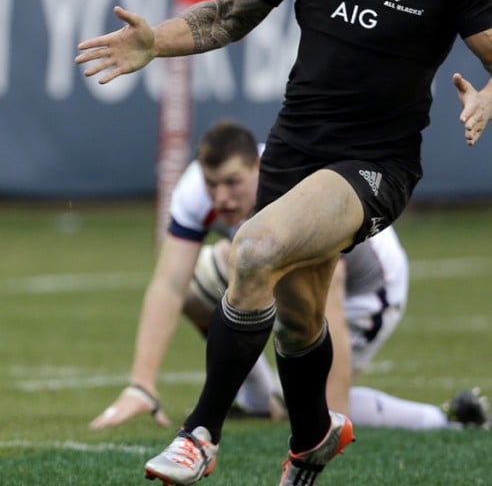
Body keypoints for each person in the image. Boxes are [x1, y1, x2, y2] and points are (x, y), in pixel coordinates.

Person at [75, 0, 492, 484]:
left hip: (374, 166)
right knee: (297, 322)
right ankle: (310, 439)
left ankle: (199, 433)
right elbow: (227, 15)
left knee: (254, 250)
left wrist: (486, 97)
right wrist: (158, 41)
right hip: (295, 151)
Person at [88, 120, 487, 433]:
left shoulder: (289, 185)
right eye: (213, 184)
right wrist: (141, 383)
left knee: (319, 404)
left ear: (258, 169)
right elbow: (169, 284)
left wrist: (330, 417)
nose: (221, 197)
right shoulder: (196, 189)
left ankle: (445, 418)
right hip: (287, 273)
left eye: (232, 182)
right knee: (203, 280)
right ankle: (263, 402)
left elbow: (328, 292)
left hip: (368, 289)